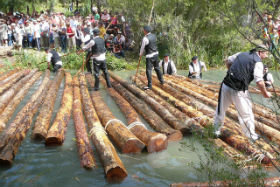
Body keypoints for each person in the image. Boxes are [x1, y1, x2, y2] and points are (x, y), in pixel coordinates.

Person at [214, 45, 271, 141]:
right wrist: (265, 94)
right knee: (246, 114)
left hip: (226, 84)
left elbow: (228, 61)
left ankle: (215, 131)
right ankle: (251, 136)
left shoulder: (241, 54)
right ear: (260, 52)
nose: (266, 56)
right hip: (239, 90)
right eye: (266, 53)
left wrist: (232, 72)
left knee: (220, 109)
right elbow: (259, 82)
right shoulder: (258, 63)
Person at [139, 25, 164, 90]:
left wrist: (140, 54)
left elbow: (142, 47)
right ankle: (162, 81)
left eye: (143, 30)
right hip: (156, 54)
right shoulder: (154, 36)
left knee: (148, 70)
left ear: (145, 31)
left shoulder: (145, 38)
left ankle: (149, 85)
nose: (143, 31)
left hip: (149, 56)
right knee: (157, 68)